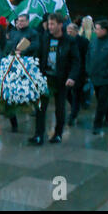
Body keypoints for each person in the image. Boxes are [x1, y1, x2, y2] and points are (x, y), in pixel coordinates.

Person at [29, 13, 80, 146]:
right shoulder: (45, 37)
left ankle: (58, 134)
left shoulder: (69, 41)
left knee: (59, 108)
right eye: (48, 23)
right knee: (40, 108)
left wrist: (72, 77)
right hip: (45, 78)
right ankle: (39, 135)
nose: (49, 26)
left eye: (52, 24)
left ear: (60, 25)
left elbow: (76, 61)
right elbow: (38, 55)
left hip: (61, 79)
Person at [66, 23, 89, 126]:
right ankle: (76, 107)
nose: (69, 32)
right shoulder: (65, 40)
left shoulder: (83, 42)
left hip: (80, 71)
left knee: (76, 94)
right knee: (67, 93)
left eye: (71, 30)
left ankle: (73, 115)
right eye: (68, 30)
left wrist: (86, 73)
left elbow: (86, 57)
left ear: (76, 31)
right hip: (67, 71)